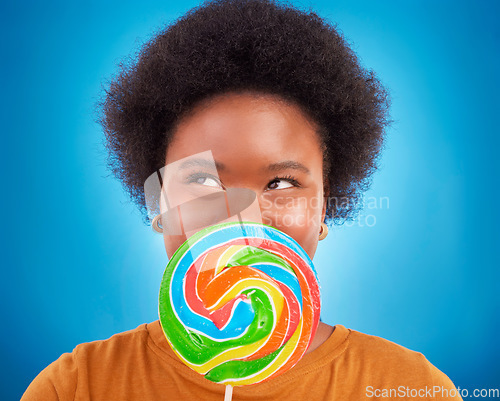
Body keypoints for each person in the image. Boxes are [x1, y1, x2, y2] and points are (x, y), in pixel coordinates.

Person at [22, 0, 462, 399]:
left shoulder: (412, 388)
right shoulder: (76, 386)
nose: (242, 217)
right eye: (204, 181)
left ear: (326, 207)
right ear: (160, 204)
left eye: (283, 184)